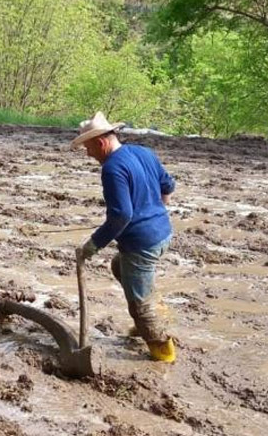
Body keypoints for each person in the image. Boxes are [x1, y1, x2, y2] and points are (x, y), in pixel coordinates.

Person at [72, 112, 177, 362]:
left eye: (87, 147)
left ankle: (163, 352)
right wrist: (156, 211)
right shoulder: (142, 152)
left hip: (142, 243)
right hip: (163, 233)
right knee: (119, 265)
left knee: (140, 305)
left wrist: (92, 246)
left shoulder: (111, 168)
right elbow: (168, 186)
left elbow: (120, 215)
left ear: (100, 143)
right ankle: (152, 315)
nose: (88, 154)